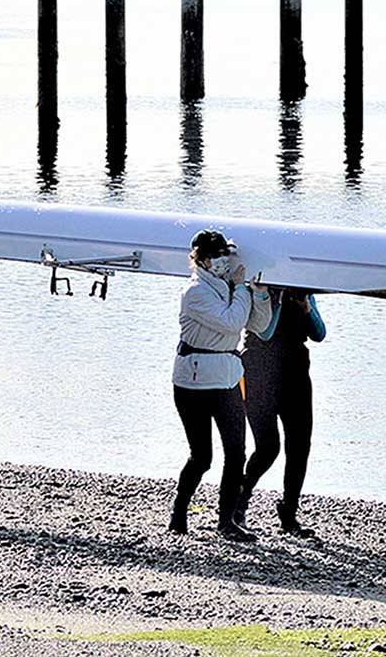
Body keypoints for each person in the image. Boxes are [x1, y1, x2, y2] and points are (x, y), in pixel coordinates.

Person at [170, 229, 271, 542]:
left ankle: (226, 521)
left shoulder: (230, 288)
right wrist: (242, 289)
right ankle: (179, 512)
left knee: (236, 453)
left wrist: (260, 294)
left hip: (226, 378)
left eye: (225, 254)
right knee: (201, 458)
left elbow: (259, 325)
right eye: (216, 255)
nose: (223, 261)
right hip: (193, 382)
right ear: (200, 259)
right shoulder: (195, 292)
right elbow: (231, 322)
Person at [236, 287, 326, 537]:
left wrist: (306, 308)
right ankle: (240, 500)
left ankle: (289, 513)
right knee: (268, 447)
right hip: (259, 370)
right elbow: (264, 332)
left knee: (299, 446)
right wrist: (275, 297)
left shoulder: (304, 292)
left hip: (295, 373)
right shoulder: (255, 290)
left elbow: (319, 333)